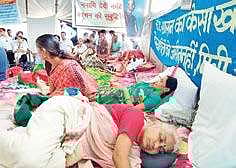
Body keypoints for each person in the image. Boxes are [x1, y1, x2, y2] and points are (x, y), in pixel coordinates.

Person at [0, 95, 179, 168]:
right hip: (70, 116)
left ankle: (19, 136)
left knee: (49, 164)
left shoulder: (134, 152)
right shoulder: (137, 118)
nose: (156, 145)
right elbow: (119, 156)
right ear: (155, 124)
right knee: (29, 158)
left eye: (161, 149)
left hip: (69, 137)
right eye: (161, 138)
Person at [36, 34, 98, 99]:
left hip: (79, 105)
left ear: (43, 51)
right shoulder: (52, 65)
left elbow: (74, 94)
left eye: (38, 50)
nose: (38, 53)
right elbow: (55, 90)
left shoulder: (69, 66)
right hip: (63, 103)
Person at [96, 75, 178, 112]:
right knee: (95, 88)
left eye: (161, 81)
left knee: (93, 95)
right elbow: (131, 88)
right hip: (118, 92)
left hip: (119, 100)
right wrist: (121, 86)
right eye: (160, 79)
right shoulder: (150, 85)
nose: (158, 81)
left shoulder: (155, 98)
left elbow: (133, 109)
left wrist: (124, 91)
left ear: (166, 89)